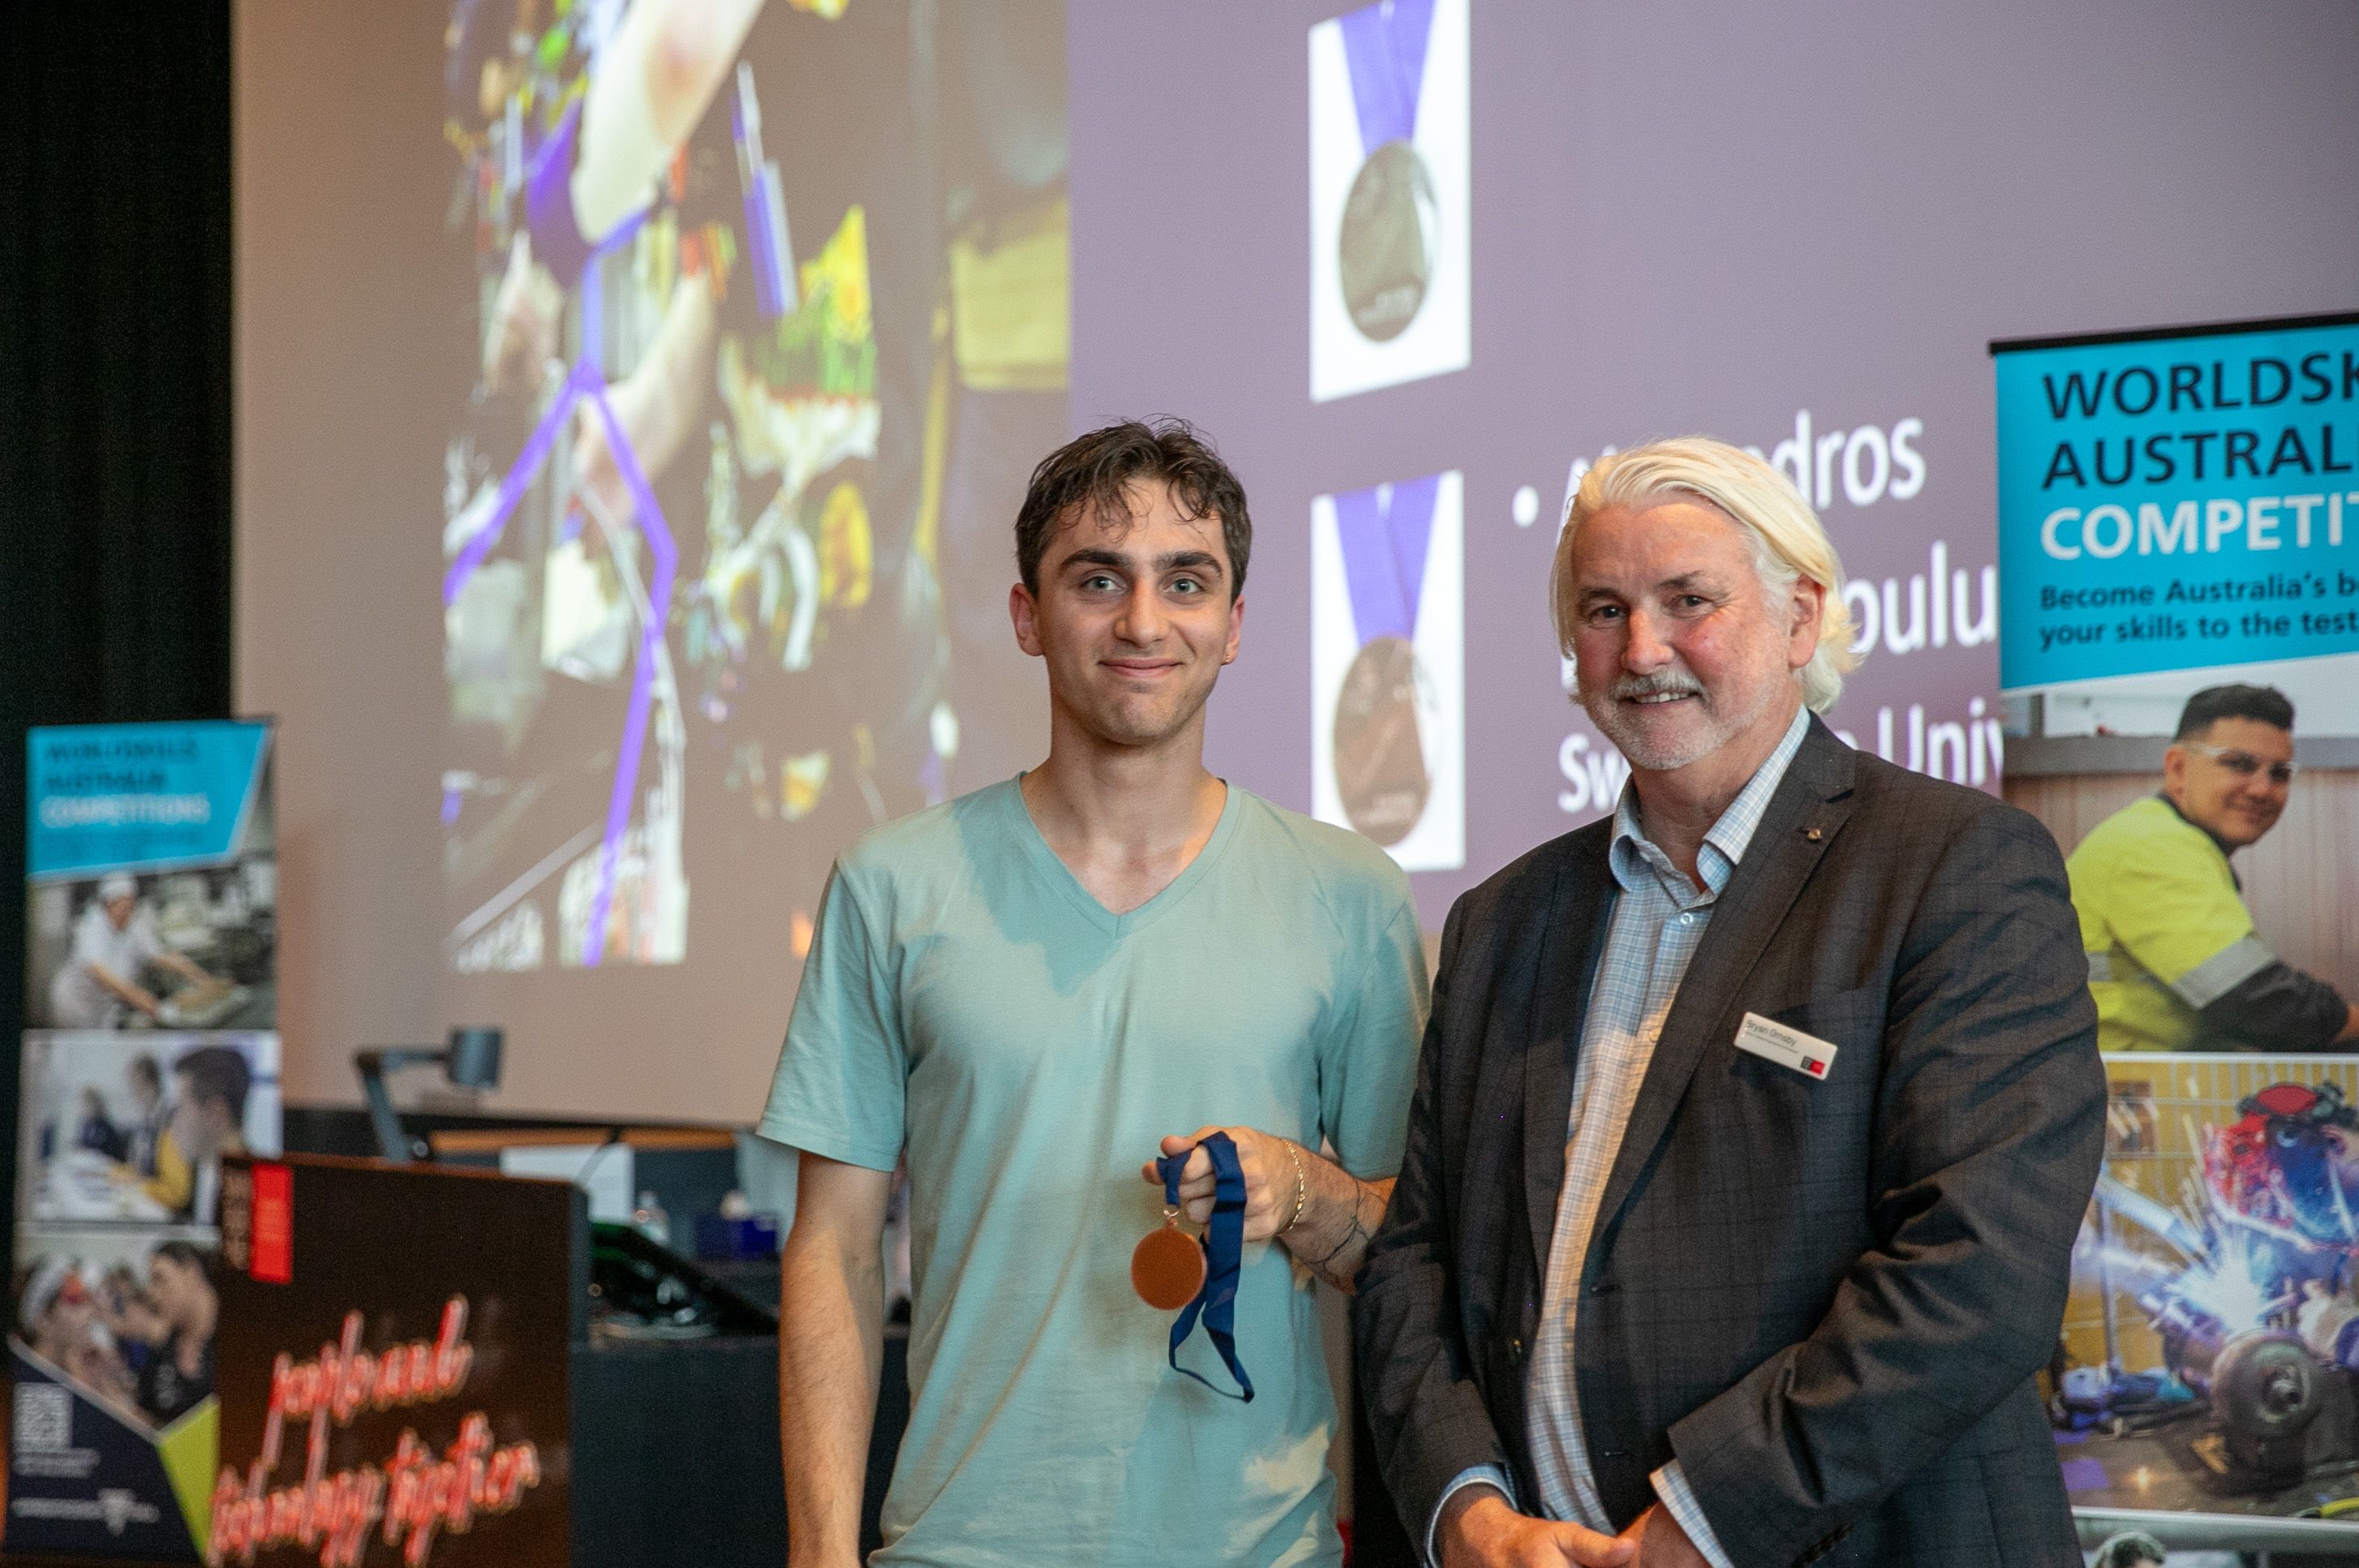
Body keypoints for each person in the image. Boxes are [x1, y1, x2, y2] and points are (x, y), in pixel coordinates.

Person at [1356, 437, 2105, 1567]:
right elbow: (1416, 1259)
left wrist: (1702, 1522)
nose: (1642, 648)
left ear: (1802, 618)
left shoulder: (1956, 867)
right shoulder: (1503, 921)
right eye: (1604, 609)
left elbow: (1976, 1267)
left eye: (1688, 601)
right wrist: (1466, 1509)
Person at [759, 419, 1427, 1566]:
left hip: (1259, 1550)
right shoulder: (892, 885)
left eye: (1187, 582)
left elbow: (1408, 1255)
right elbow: (836, 1252)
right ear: (1027, 616)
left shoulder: (1352, 898)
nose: (1143, 622)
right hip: (961, 1544)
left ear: (1234, 627)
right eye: (1097, 580)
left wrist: (1302, 1188)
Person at [2067, 684, 2359, 1052]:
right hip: (2117, 1096)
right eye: (2240, 764)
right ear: (2177, 768)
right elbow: (2262, 1005)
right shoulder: (2151, 847)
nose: (2262, 789)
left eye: (2280, 773)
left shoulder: (2164, 838)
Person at [46, 874, 217, 1029]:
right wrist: (140, 998)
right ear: (109, 903)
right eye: (123, 905)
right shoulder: (91, 927)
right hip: (77, 1003)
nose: (128, 912)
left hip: (106, 1005)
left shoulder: (134, 922)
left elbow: (160, 955)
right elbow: (100, 974)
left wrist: (195, 973)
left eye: (131, 905)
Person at [141, 1047, 251, 1225]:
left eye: (180, 1110)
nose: (172, 1125)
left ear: (217, 1114)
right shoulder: (202, 1170)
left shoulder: (251, 1197)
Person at [133, 1241, 217, 1426]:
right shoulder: (161, 1349)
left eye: (160, 1279)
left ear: (191, 1272)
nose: (153, 1294)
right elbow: (145, 1418)